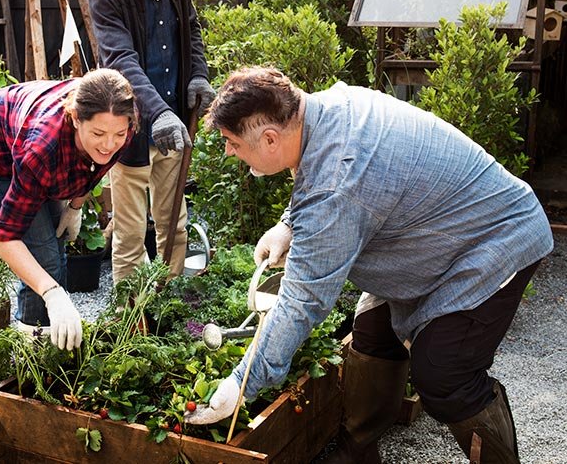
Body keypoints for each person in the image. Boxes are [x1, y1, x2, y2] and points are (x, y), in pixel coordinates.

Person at [184, 67, 553, 464]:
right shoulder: (329, 108)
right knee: (372, 331)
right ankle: (357, 451)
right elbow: (323, 173)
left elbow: (302, 301)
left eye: (233, 142)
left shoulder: (336, 184)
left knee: (445, 376)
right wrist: (289, 224)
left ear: (271, 138)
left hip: (494, 238)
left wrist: (242, 383)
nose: (229, 151)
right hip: (435, 233)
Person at [0, 68, 136, 350]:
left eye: (118, 134)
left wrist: (75, 206)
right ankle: (32, 346)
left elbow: (94, 168)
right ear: (76, 118)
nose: (109, 144)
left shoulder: (121, 123)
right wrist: (52, 294)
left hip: (32, 136)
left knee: (56, 246)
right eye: (98, 133)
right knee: (43, 256)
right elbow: (5, 237)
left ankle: (57, 335)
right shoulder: (42, 151)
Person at [88, 0, 216, 283]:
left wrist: (198, 74)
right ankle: (130, 309)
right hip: (129, 132)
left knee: (175, 227)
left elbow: (191, 29)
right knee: (130, 235)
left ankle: (169, 300)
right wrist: (158, 112)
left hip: (174, 128)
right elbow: (120, 62)